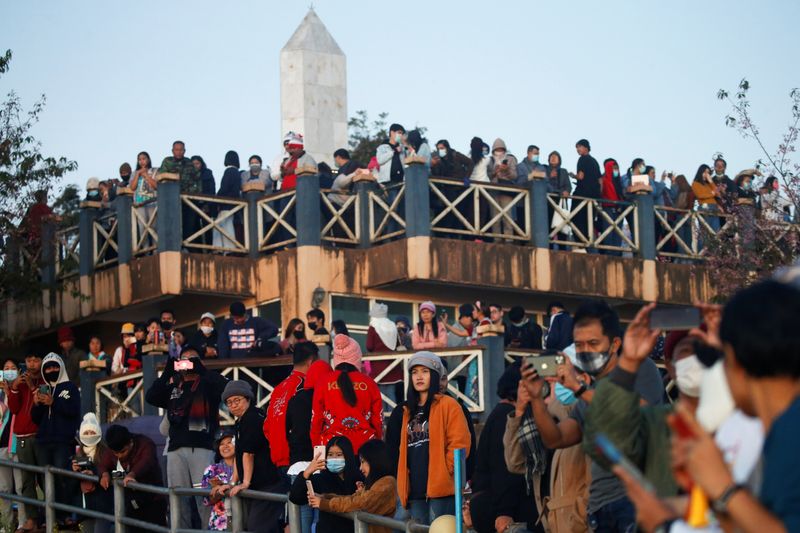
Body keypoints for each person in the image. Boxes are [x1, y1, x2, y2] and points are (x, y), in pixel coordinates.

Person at [617, 280, 799, 533]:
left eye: (715, 357)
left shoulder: (792, 432)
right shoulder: (778, 427)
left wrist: (722, 489)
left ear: (732, 357)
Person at [521, 300, 663, 533]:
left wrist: (580, 389)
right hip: (599, 508)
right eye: (579, 345)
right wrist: (536, 399)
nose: (586, 350)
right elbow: (556, 439)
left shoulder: (639, 368)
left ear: (615, 343)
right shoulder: (590, 392)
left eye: (593, 343)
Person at [145, 346, 229, 530]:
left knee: (206, 497)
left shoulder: (208, 384)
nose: (188, 362)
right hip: (175, 449)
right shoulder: (175, 386)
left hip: (202, 448)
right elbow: (151, 397)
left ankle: (210, 530)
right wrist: (167, 372)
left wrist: (202, 369)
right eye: (184, 359)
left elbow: (226, 388)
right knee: (178, 498)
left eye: (192, 359)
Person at [392, 351, 471, 525]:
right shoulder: (407, 412)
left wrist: (445, 470)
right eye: (415, 372)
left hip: (441, 491)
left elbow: (460, 442)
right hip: (415, 490)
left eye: (425, 371)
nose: (419, 377)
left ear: (434, 375)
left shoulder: (449, 405)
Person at [469, 365, 534, 533]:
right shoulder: (505, 417)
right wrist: (504, 511)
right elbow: (504, 469)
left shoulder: (498, 414)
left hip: (490, 503)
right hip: (496, 508)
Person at [215, 380, 286, 533]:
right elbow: (239, 455)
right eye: (229, 402)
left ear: (248, 399)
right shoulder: (241, 420)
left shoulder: (252, 418)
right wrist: (233, 482)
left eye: (237, 400)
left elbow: (248, 453)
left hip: (268, 483)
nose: (233, 405)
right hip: (260, 485)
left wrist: (245, 483)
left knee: (257, 527)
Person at [31, 353, 81, 525]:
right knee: (45, 480)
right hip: (43, 441)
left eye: (55, 367)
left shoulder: (70, 388)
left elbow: (73, 411)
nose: (52, 370)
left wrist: (54, 402)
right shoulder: (43, 389)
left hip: (62, 441)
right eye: (48, 368)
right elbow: (36, 419)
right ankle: (48, 516)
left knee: (62, 478)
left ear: (61, 367)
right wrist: (37, 404)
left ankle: (64, 515)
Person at [311, 334, 383, 452]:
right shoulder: (369, 383)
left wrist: (317, 449)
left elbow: (316, 421)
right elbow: (378, 421)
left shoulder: (323, 382)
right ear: (357, 357)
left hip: (332, 449)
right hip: (365, 449)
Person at [308, 439, 397, 533]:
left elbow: (359, 503)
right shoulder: (377, 483)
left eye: (363, 462)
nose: (361, 468)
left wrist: (324, 503)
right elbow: (352, 499)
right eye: (330, 455)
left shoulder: (387, 483)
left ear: (375, 461)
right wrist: (325, 497)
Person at [100, 424, 167, 531]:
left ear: (130, 442)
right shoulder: (112, 448)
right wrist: (104, 474)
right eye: (115, 453)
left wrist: (132, 474)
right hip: (130, 502)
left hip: (153, 500)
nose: (119, 456)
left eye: (123, 452)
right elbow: (104, 463)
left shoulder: (146, 444)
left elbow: (146, 461)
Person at [290, 435, 362, 533]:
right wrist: (307, 472)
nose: (334, 458)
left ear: (348, 456)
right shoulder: (322, 478)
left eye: (339, 454)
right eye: (330, 454)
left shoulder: (359, 478)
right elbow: (296, 497)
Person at [264, 342, 318, 472]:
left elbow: (266, 427)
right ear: (311, 362)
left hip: (278, 458)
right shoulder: (305, 387)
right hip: (297, 459)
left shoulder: (278, 388)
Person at [6, 354, 43, 532]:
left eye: (36, 360)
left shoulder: (47, 377)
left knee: (45, 478)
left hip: (40, 436)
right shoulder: (19, 383)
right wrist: (13, 388)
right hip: (21, 437)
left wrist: (31, 385)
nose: (32, 364)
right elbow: (13, 409)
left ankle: (49, 518)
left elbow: (42, 404)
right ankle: (31, 520)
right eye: (28, 360)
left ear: (42, 361)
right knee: (27, 481)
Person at [286, 360, 333, 467]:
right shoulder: (328, 398)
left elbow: (286, 429)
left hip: (298, 458)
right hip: (321, 458)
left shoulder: (296, 399)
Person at [72, 412, 114, 533]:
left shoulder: (107, 453)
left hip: (103, 507)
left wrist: (96, 476)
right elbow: (68, 486)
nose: (89, 435)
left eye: (92, 432)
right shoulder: (77, 455)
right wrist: (74, 473)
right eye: (86, 432)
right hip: (84, 508)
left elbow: (118, 474)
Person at [0, 359, 22, 528]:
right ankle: (7, 525)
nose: (9, 371)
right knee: (4, 489)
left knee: (21, 487)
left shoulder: (22, 389)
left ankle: (23, 525)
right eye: (6, 368)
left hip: (17, 443)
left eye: (12, 368)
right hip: (1, 446)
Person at [201, 428, 237, 532]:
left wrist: (222, 488)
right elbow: (206, 500)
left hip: (243, 520)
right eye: (221, 444)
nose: (225, 446)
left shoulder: (246, 468)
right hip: (219, 524)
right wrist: (219, 491)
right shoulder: (211, 469)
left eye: (229, 442)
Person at [366, 303, 402, 403]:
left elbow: (369, 346)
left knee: (380, 396)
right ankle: (391, 417)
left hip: (378, 368)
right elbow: (398, 344)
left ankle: (383, 418)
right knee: (391, 396)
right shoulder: (392, 325)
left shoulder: (373, 326)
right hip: (393, 367)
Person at [486, 138, 519, 241]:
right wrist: (495, 172)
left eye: (501, 149)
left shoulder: (511, 159)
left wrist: (507, 169)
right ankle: (497, 239)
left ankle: (509, 240)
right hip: (494, 190)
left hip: (506, 190)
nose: (499, 152)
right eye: (497, 149)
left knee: (507, 217)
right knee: (495, 217)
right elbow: (487, 176)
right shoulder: (489, 160)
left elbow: (514, 176)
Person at [573, 139, 602, 248]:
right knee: (588, 220)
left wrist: (572, 175)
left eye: (579, 147)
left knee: (576, 219)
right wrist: (599, 195)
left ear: (586, 147)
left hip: (582, 194)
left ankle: (580, 244)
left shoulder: (582, 159)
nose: (578, 150)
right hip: (594, 196)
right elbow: (600, 180)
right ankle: (587, 244)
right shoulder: (594, 161)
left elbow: (580, 176)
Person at [212, 150, 242, 251]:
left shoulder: (229, 171)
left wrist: (217, 197)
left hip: (226, 203)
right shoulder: (237, 172)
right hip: (233, 202)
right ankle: (227, 248)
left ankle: (221, 248)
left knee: (222, 225)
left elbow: (224, 187)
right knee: (227, 225)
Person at [130, 151, 158, 250]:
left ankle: (155, 249)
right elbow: (132, 188)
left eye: (144, 159)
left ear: (148, 159)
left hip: (152, 203)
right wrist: (138, 174)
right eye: (140, 159)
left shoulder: (154, 171)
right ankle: (146, 249)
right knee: (142, 228)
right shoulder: (134, 173)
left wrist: (146, 175)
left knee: (154, 226)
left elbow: (156, 186)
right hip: (139, 204)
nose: (142, 161)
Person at [599, 158, 626, 252]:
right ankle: (609, 252)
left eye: (617, 168)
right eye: (613, 168)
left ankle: (617, 253)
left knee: (618, 233)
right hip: (608, 209)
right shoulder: (604, 180)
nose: (616, 170)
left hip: (618, 210)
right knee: (608, 232)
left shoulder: (619, 181)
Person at [691, 164, 722, 234]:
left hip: (714, 208)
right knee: (705, 233)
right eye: (705, 172)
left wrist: (711, 182)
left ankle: (715, 245)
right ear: (700, 172)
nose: (706, 174)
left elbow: (718, 195)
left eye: (708, 173)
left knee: (716, 232)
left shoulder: (709, 184)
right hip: (705, 207)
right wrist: (712, 193)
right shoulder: (695, 183)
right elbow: (700, 195)